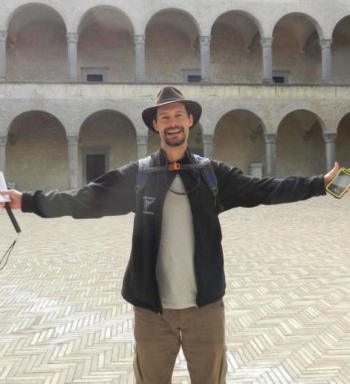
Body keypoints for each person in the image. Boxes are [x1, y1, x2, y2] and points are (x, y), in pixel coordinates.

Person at [0, 86, 346, 384]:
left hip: (205, 310)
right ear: (155, 125)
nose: (172, 123)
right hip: (152, 312)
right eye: (164, 118)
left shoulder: (212, 175)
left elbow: (265, 189)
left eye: (178, 115)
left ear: (190, 120)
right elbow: (84, 199)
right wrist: (28, 201)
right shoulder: (139, 175)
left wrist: (319, 184)